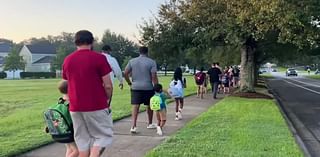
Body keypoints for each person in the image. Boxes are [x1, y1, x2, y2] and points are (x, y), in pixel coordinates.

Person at [62, 30, 113, 157]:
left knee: (82, 140)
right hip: (96, 104)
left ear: (76, 42)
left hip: (75, 106)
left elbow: (65, 85)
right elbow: (108, 85)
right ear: (92, 41)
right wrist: (107, 100)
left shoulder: (68, 60)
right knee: (102, 137)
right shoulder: (99, 58)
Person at [124, 46, 159, 133]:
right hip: (148, 87)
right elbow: (153, 76)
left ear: (139, 52)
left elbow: (125, 73)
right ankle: (150, 123)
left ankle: (133, 126)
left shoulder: (132, 61)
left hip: (135, 86)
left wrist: (129, 82)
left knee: (135, 106)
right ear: (147, 52)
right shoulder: (151, 62)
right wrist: (156, 86)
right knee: (149, 105)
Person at [57, 80, 79, 157]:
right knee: (77, 151)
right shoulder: (70, 103)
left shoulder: (61, 101)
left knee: (70, 149)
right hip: (70, 131)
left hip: (63, 130)